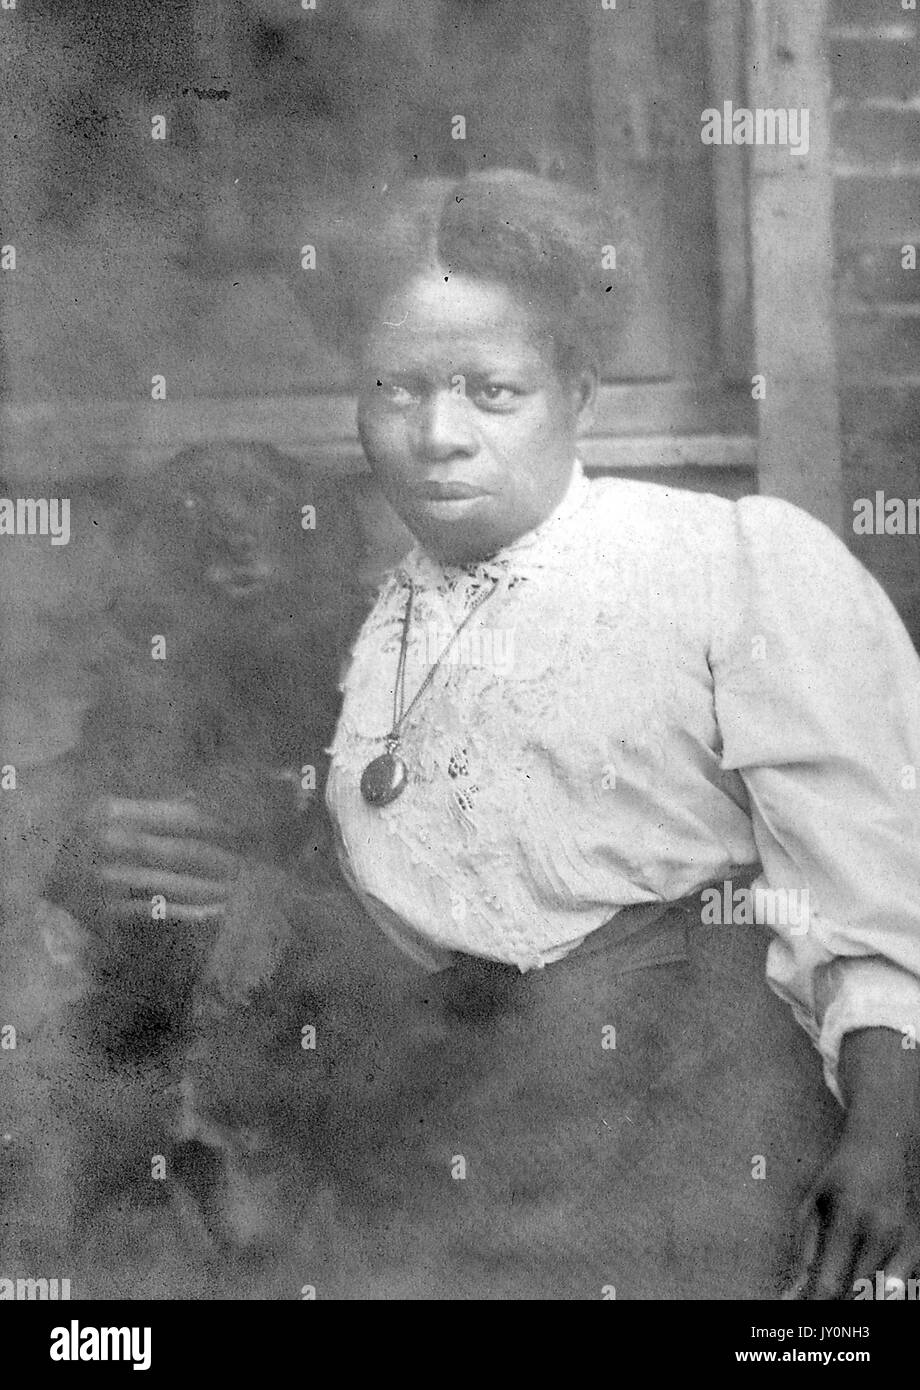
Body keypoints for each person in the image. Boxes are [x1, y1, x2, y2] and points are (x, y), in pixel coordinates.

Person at [314, 170, 920, 1299]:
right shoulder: (352, 624)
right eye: (395, 389)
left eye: (493, 392)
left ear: (577, 393)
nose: (437, 435)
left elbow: (873, 891)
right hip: (449, 1158)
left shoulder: (725, 565)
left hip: (697, 1140)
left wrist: (886, 1142)